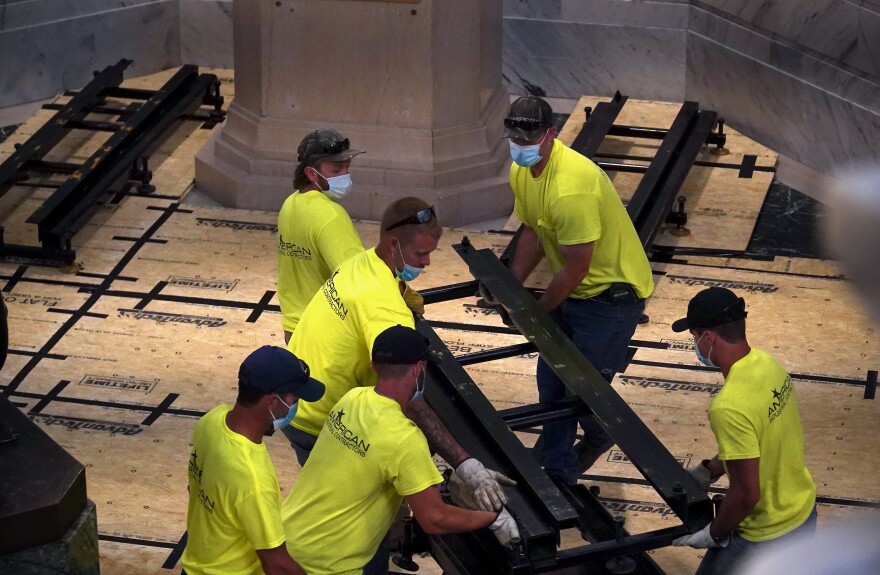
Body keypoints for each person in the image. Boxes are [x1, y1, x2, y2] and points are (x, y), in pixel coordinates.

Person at [500, 95, 655, 485]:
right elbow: (533, 230)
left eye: (529, 136)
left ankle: (581, 452)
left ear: (551, 134)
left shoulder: (571, 187)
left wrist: (536, 310)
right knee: (552, 382)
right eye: (515, 136)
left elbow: (576, 265)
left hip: (609, 299)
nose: (521, 144)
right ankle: (554, 470)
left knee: (578, 390)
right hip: (577, 292)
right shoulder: (523, 172)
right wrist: (511, 287)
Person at [282, 325, 519, 575]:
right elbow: (434, 518)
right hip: (328, 564)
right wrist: (493, 519)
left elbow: (374, 457)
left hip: (291, 536)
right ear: (419, 369)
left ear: (373, 366)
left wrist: (450, 473)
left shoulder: (352, 399)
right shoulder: (405, 439)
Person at [669, 287, 817, 574]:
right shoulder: (768, 363)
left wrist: (714, 532)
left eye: (694, 337)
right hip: (802, 510)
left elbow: (747, 494)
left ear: (708, 337)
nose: (696, 345)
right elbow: (755, 440)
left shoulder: (728, 407)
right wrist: (710, 470)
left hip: (767, 532)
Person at [181, 346, 325, 575]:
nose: (296, 406)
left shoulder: (212, 420)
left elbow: (195, 489)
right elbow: (276, 564)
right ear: (272, 403)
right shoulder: (253, 477)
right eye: (294, 399)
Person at [277, 129, 365, 344]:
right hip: (325, 335)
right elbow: (358, 278)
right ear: (311, 173)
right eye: (336, 169)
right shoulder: (330, 216)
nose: (345, 175)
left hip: (294, 331)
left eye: (347, 167)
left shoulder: (290, 204)